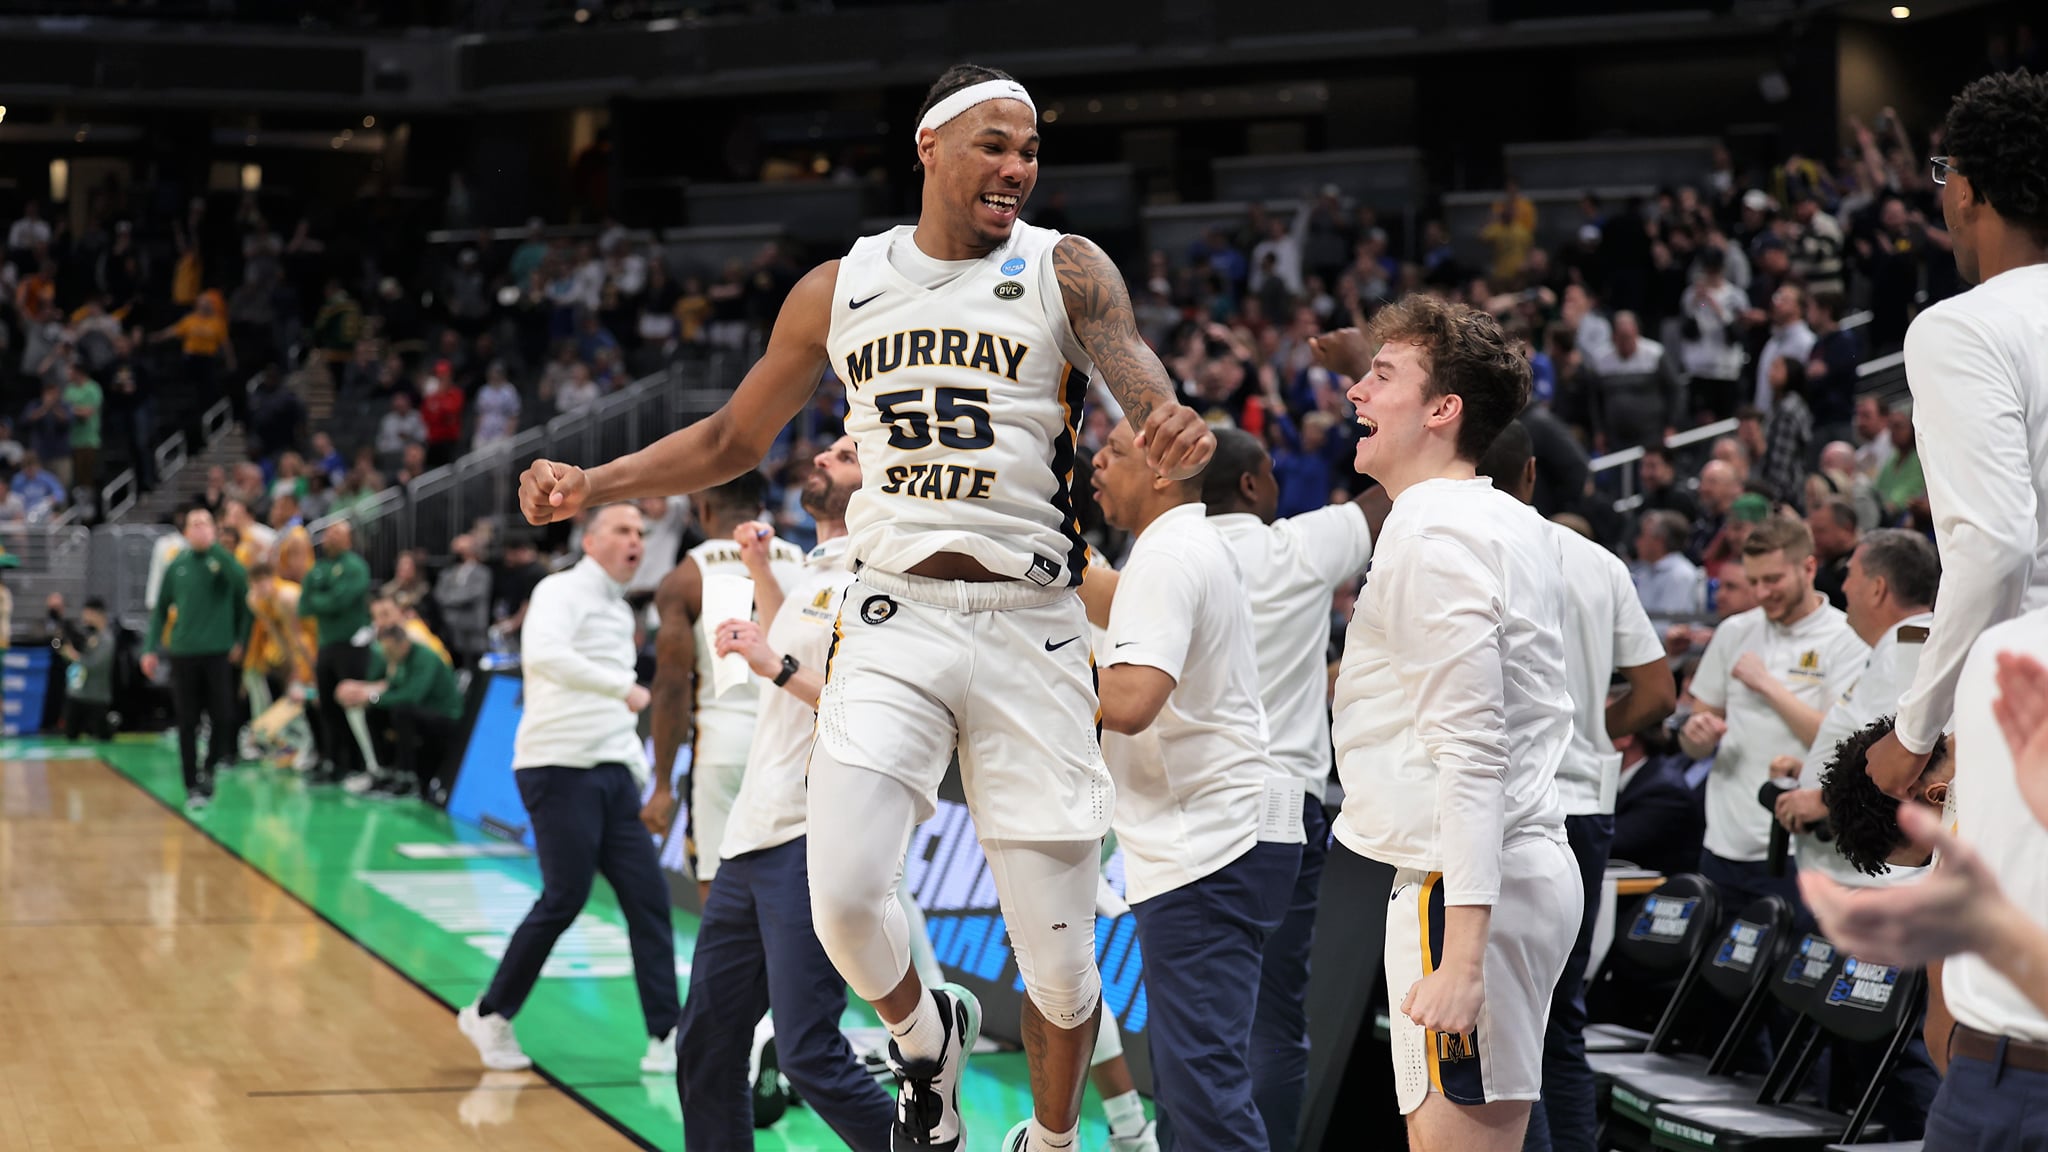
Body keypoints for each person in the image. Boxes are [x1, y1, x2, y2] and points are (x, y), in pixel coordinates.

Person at [514, 63, 1212, 1152]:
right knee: (841, 897)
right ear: (928, 147)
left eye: (1029, 150)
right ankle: (926, 1037)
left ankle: (1053, 1139)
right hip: (894, 616)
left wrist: (1169, 420)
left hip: (1031, 623)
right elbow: (729, 442)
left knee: (1064, 970)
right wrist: (591, 482)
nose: (1018, 167)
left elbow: (1140, 376)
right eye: (994, 144)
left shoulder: (1063, 268)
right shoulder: (839, 286)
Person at [1327, 295, 1580, 1150]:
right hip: (1495, 871)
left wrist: (1463, 956)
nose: (1356, 392)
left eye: (1381, 375)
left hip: (1464, 888)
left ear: (1444, 411)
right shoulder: (1507, 519)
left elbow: (1473, 750)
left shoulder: (1435, 532)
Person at [1083, 416, 1303, 1152]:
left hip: (1210, 848)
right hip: (1216, 839)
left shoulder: (1171, 554)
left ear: (1159, 471)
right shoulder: (1171, 549)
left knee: (1203, 1096)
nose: (1095, 466)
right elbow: (1111, 598)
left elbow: (1130, 702)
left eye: (1110, 455)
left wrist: (1032, 672)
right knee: (1193, 1088)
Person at [677, 435, 899, 1152]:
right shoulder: (816, 562)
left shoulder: (884, 570)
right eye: (829, 449)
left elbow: (863, 705)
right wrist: (757, 574)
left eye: (847, 454)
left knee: (808, 1055)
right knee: (707, 1047)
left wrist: (771, 664)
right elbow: (789, 640)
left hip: (812, 839)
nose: (825, 458)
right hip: (751, 835)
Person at [1477, 421, 1675, 1152]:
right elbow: (1658, 692)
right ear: (1532, 474)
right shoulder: (1596, 562)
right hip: (1583, 809)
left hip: (1491, 808)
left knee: (1495, 1029)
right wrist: (1591, 724)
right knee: (1558, 1023)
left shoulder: (1453, 552)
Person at [1190, 418, 1382, 1150]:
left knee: (1193, 1020)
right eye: (1271, 471)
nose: (1279, 484)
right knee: (1271, 1019)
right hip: (1276, 806)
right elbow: (1390, 493)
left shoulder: (1164, 559)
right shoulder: (1297, 546)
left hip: (1186, 805)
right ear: (1250, 484)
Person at [1864, 70, 2048, 805]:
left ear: (1966, 189)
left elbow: (1997, 548)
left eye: (1945, 174)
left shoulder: (1961, 326)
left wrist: (1913, 733)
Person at [457, 504, 682, 1078]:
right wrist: (623, 687)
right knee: (565, 895)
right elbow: (545, 656)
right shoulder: (560, 590)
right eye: (624, 531)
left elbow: (611, 705)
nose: (636, 541)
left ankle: (666, 1034)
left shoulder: (617, 605)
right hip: (557, 766)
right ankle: (490, 1012)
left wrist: (636, 769)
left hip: (609, 771)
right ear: (591, 539)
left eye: (641, 533)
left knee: (649, 901)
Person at [1680, 516, 1866, 910]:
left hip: (1799, 848)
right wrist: (1696, 736)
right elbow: (1695, 735)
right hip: (1723, 841)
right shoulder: (1734, 631)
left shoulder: (1847, 638)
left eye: (1774, 579)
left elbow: (1839, 744)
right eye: (1754, 581)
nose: (1762, 593)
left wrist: (1766, 684)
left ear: (1809, 568)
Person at [647, 472, 805, 900]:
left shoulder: (685, 578)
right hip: (794, 748)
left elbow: (671, 688)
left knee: (720, 897)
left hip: (724, 747)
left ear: (705, 509)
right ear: (760, 509)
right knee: (796, 897)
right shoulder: (805, 563)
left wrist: (662, 785)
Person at [1770, 529, 1939, 888]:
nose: (1842, 587)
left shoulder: (1906, 653)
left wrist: (1822, 799)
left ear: (1877, 588)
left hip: (1875, 882)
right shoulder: (1900, 649)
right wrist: (1815, 773)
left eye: (1850, 575)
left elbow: (1915, 760)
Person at [142, 508, 252, 810]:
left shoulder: (224, 561)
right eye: (194, 524)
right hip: (183, 652)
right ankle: (191, 781)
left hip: (218, 652)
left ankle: (210, 768)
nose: (200, 528)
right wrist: (150, 648)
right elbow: (161, 609)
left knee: (222, 716)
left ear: (215, 529)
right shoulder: (177, 564)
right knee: (187, 721)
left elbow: (243, 589)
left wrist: (240, 640)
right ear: (186, 531)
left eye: (205, 523)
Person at [336, 625, 464, 802]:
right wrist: (365, 694)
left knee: (401, 711)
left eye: (389, 650)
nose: (385, 654)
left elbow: (412, 695)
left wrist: (373, 697)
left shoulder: (425, 658)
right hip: (420, 713)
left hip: (446, 717)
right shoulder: (399, 661)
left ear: (402, 644)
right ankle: (384, 771)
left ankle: (407, 778)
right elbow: (391, 687)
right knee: (374, 711)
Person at [299, 520, 373, 787]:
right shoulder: (317, 569)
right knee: (327, 705)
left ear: (349, 539)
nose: (330, 537)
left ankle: (358, 764)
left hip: (352, 645)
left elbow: (341, 601)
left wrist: (323, 599)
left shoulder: (355, 567)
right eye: (329, 532)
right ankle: (333, 762)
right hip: (326, 644)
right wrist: (325, 600)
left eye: (338, 533)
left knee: (350, 705)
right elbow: (305, 605)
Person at [60, 597, 117, 741]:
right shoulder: (87, 635)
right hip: (78, 693)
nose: (84, 618)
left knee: (102, 736)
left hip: (97, 696)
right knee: (70, 733)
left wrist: (75, 657)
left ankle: (112, 721)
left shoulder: (107, 639)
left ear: (97, 614)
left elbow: (96, 664)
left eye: (87, 614)